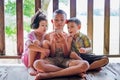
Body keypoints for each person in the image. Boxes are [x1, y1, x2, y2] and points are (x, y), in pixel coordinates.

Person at [33, 9, 90, 80]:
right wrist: (53, 42)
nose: (59, 22)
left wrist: (64, 42)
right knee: (37, 63)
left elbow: (67, 55)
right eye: (56, 20)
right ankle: (72, 72)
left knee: (85, 64)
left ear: (65, 22)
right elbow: (52, 55)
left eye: (62, 20)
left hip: (66, 61)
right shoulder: (47, 35)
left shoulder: (69, 36)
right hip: (52, 61)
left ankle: (50, 75)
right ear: (52, 21)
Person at [21, 9, 50, 76]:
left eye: (46, 25)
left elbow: (49, 46)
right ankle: (30, 66)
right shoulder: (31, 34)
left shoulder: (46, 35)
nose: (45, 28)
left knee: (45, 42)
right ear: (36, 25)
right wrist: (43, 50)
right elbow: (29, 46)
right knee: (36, 42)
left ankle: (40, 66)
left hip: (39, 59)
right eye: (42, 25)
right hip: (29, 59)